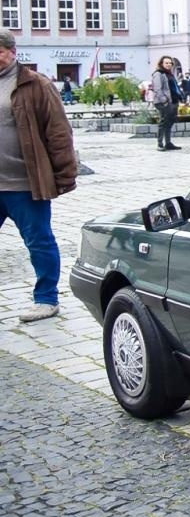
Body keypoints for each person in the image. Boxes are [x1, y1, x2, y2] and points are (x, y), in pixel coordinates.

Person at [0, 31, 78, 322]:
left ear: (12, 51)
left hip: (23, 183)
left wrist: (64, 175)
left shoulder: (34, 84)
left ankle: (46, 298)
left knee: (39, 241)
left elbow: (58, 131)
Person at [149, 55, 183, 152]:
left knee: (170, 122)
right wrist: (164, 100)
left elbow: (174, 87)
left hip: (173, 101)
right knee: (163, 122)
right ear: (161, 64)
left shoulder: (170, 74)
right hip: (163, 102)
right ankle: (160, 144)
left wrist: (180, 96)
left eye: (170, 63)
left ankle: (168, 143)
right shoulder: (158, 74)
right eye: (166, 63)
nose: (168, 65)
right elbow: (158, 88)